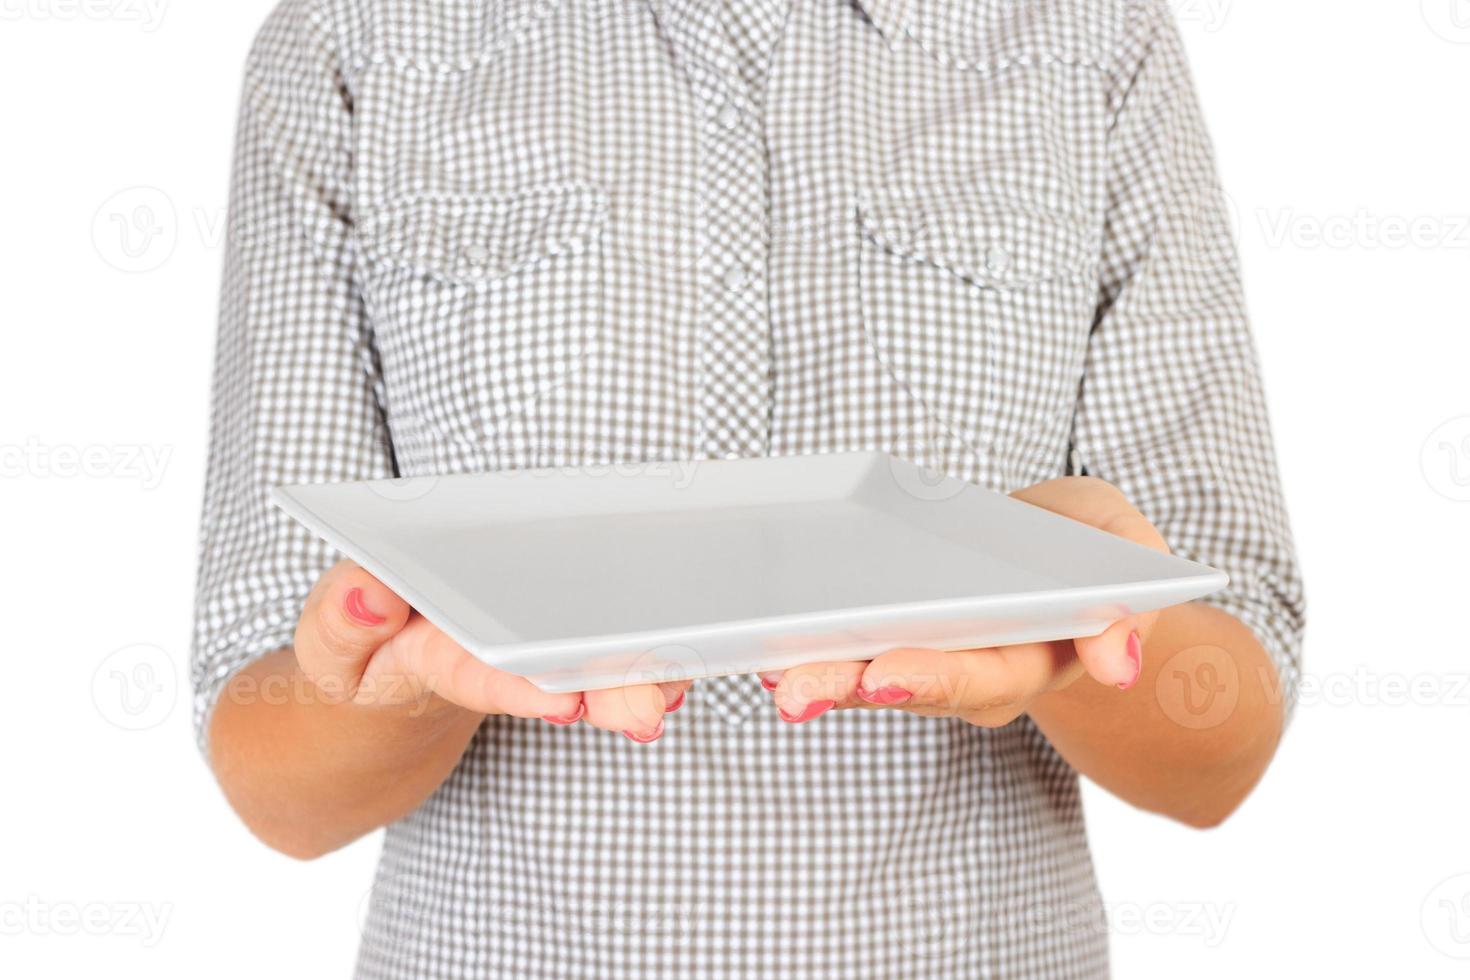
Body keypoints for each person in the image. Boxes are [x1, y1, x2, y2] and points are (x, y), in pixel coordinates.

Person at [193, 0, 1304, 975]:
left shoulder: (1090, 36)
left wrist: (1067, 610)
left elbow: (1226, 742)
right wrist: (408, 680)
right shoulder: (354, 41)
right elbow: (271, 772)